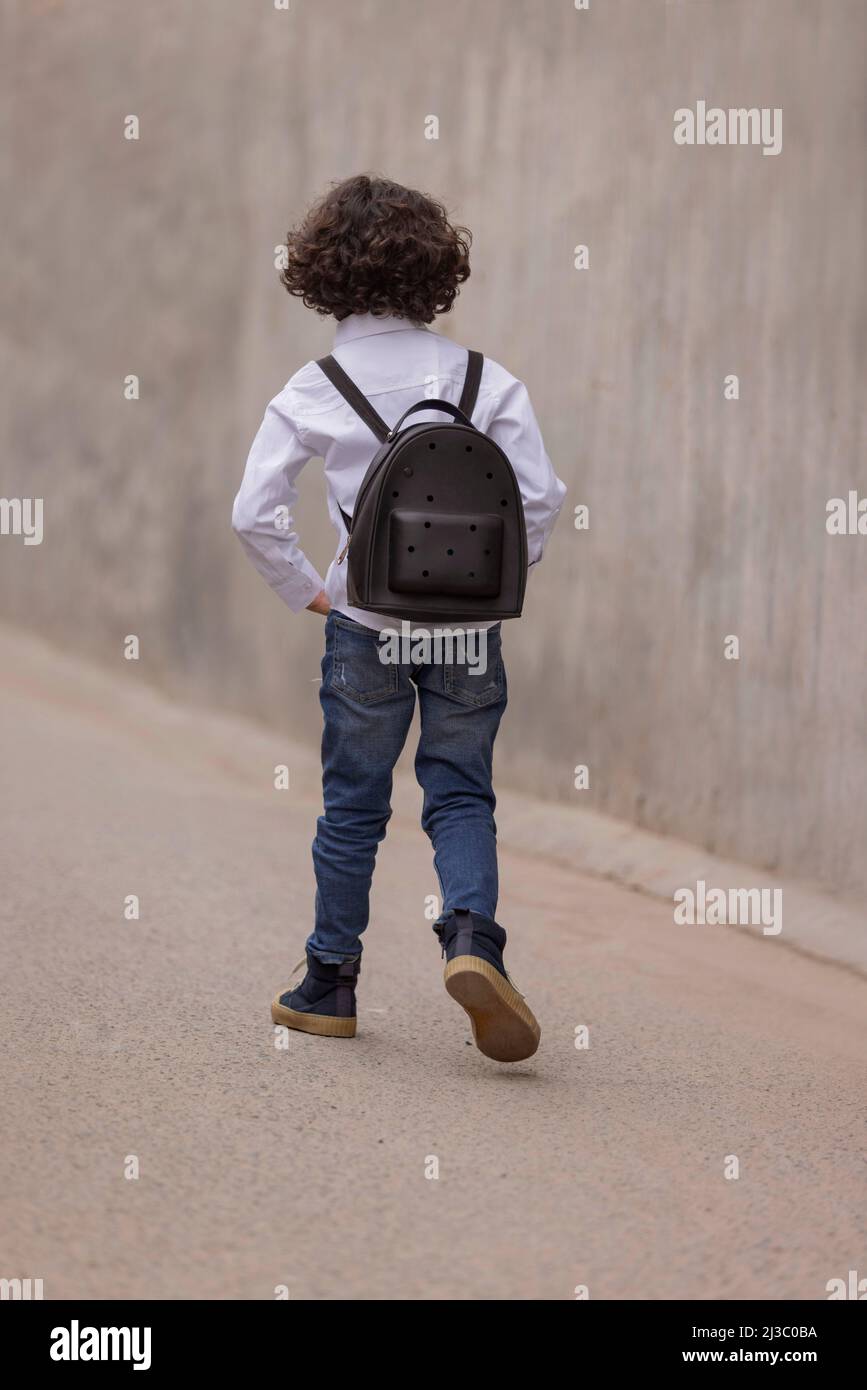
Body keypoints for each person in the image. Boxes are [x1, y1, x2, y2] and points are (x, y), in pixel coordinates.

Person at [232, 174, 566, 1061]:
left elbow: (253, 512)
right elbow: (538, 500)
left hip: (364, 624)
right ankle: (470, 940)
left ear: (321, 274)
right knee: (459, 793)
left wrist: (310, 586)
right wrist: (486, 585)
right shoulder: (487, 380)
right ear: (437, 271)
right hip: (466, 632)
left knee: (353, 807)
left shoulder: (315, 386)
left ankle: (328, 982)